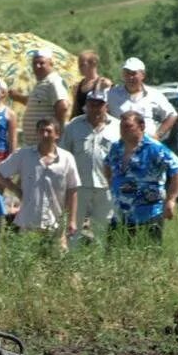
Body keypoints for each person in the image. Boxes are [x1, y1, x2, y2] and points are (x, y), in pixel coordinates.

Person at [105, 109, 178, 243]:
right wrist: (111, 182)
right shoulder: (116, 148)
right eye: (121, 127)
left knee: (148, 255)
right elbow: (107, 164)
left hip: (148, 215)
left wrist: (171, 199)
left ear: (141, 126)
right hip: (120, 213)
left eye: (128, 127)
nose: (123, 130)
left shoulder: (154, 148)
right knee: (114, 255)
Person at [0, 118, 81, 248]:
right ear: (37, 133)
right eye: (41, 131)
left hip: (56, 223)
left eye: (48, 131)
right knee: (27, 263)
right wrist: (16, 190)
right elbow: (0, 172)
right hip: (29, 222)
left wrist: (72, 220)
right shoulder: (24, 154)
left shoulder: (67, 159)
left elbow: (72, 190)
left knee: (56, 263)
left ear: (57, 134)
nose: (44, 135)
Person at [60, 91, 121, 244]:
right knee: (73, 226)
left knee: (103, 228)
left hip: (106, 186)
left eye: (99, 104)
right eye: (91, 104)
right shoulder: (74, 125)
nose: (95, 108)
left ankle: (99, 262)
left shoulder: (117, 127)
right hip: (78, 186)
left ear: (106, 106)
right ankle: (71, 260)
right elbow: (64, 154)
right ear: (86, 105)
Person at [105, 57, 177, 138]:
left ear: (143, 75)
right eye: (127, 73)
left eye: (133, 73)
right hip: (120, 143)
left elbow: (172, 114)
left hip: (146, 145)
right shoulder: (112, 94)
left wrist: (158, 135)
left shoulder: (154, 95)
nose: (130, 77)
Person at [17, 50, 70, 146]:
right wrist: (17, 96)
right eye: (35, 63)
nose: (37, 66)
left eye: (41, 63)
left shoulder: (53, 82)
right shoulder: (42, 83)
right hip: (35, 145)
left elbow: (62, 107)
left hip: (45, 144)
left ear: (51, 64)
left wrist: (56, 135)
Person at [72, 50, 111, 118]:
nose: (79, 68)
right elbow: (75, 109)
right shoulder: (78, 85)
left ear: (93, 64)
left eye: (82, 65)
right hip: (79, 124)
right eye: (79, 65)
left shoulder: (103, 83)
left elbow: (109, 108)